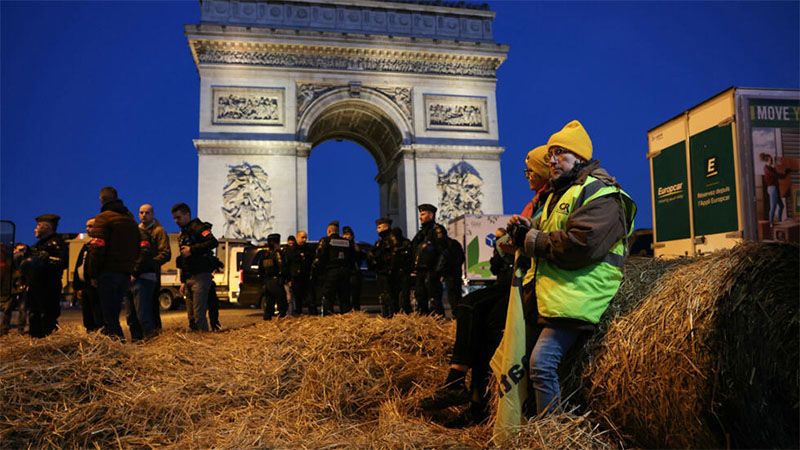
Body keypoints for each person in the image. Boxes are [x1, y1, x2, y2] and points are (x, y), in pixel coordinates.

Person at [508, 120, 636, 415]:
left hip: (581, 293)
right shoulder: (559, 193)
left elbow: (581, 245)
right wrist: (528, 227)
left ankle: (552, 436)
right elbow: (549, 230)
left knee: (541, 364)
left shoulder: (602, 194)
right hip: (557, 292)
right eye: (551, 153)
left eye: (560, 152)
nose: (551, 159)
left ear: (580, 156)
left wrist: (532, 240)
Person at [421, 145, 550, 424]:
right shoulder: (538, 202)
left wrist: (510, 238)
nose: (526, 176)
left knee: (477, 317)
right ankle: (467, 395)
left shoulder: (548, 202)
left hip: (529, 282)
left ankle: (462, 388)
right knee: (474, 317)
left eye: (531, 171)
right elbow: (507, 244)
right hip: (515, 278)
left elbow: (515, 242)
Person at [90, 187, 140, 340]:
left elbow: (97, 248)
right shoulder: (130, 219)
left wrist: (92, 273)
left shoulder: (103, 218)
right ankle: (119, 346)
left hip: (107, 273)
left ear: (101, 199)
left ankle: (118, 349)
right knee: (115, 313)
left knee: (109, 318)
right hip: (124, 274)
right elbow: (136, 247)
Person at [172, 202, 219, 332]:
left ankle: (204, 341)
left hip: (201, 276)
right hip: (189, 277)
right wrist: (182, 281)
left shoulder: (198, 227)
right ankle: (195, 342)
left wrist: (192, 249)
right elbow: (183, 259)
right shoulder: (183, 233)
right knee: (191, 317)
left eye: (179, 217)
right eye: (175, 218)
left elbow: (213, 242)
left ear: (187, 215)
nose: (176, 221)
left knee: (199, 315)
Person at [24, 214, 68, 338]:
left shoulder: (56, 243)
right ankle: (36, 339)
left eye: (38, 226)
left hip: (48, 286)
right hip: (36, 285)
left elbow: (62, 262)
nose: (35, 229)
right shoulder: (38, 244)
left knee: (47, 316)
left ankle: (46, 341)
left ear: (47, 227)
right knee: (35, 314)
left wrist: (47, 259)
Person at [138, 204, 171, 332]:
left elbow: (165, 253)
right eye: (141, 212)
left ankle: (155, 335)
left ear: (153, 214)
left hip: (152, 275)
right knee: (138, 310)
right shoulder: (137, 231)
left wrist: (149, 264)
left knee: (151, 306)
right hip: (137, 274)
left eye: (147, 213)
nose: (144, 215)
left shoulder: (159, 231)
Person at [312, 220, 355, 315]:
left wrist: (316, 272)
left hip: (331, 273)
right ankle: (346, 319)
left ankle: (327, 318)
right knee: (344, 298)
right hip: (345, 273)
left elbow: (319, 258)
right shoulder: (346, 242)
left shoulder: (326, 241)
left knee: (328, 296)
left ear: (329, 231)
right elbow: (353, 258)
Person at [411, 204, 444, 315]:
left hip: (431, 272)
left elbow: (443, 252)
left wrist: (437, 271)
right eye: (420, 214)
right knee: (421, 300)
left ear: (431, 215)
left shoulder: (438, 230)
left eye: (423, 214)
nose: (420, 217)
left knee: (434, 301)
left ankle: (439, 325)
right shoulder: (421, 233)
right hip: (420, 272)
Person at [72, 219, 104, 332]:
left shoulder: (101, 243)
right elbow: (79, 265)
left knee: (97, 314)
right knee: (87, 315)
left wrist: (94, 278)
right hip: (85, 285)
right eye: (87, 226)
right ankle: (90, 332)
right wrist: (78, 286)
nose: (87, 229)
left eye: (90, 226)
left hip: (94, 285)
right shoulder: (87, 244)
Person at [0, 243, 31, 336]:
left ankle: (20, 329)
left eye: (22, 250)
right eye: (19, 250)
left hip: (22, 287)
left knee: (22, 308)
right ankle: (4, 329)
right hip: (13, 287)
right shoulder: (10, 260)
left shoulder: (26, 261)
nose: (20, 252)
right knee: (8, 308)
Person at [369, 218, 396, 318]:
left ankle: (391, 315)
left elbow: (394, 255)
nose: (377, 230)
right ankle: (385, 315)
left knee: (389, 296)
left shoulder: (392, 239)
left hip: (388, 272)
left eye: (379, 227)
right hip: (381, 272)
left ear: (386, 226)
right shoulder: (379, 242)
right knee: (383, 296)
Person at [286, 230, 315, 315]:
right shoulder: (291, 250)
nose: (304, 239)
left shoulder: (309, 249)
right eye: (302, 237)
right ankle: (298, 314)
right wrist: (289, 279)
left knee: (310, 298)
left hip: (307, 277)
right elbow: (288, 266)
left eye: (305, 237)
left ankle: (312, 315)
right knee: (297, 299)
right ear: (297, 237)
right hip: (296, 278)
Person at [260, 233, 288, 320]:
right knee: (282, 301)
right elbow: (282, 266)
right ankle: (281, 318)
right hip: (276, 280)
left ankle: (267, 319)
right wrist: (284, 277)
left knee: (269, 302)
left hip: (268, 281)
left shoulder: (265, 254)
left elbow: (261, 269)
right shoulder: (277, 253)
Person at [390, 227, 413, 314]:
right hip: (395, 272)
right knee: (395, 295)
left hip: (404, 272)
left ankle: (406, 312)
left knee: (404, 295)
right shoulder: (391, 244)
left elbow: (410, 257)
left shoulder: (406, 243)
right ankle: (397, 312)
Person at [442, 232, 465, 314]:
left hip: (449, 273)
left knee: (451, 294)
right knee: (458, 292)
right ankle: (460, 311)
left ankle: (455, 311)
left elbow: (443, 261)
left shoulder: (443, 245)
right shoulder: (455, 243)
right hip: (457, 272)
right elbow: (462, 257)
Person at [762, 153, 788, 226]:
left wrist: (785, 174)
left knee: (781, 206)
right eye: (771, 159)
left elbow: (779, 176)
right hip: (772, 188)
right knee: (773, 206)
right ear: (767, 160)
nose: (772, 161)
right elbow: (776, 175)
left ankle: (779, 221)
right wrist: (783, 174)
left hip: (775, 188)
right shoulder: (766, 168)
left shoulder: (771, 168)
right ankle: (771, 223)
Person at [342, 226, 364, 311]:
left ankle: (356, 311)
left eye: (348, 234)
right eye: (345, 234)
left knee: (355, 297)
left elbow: (362, 257)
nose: (346, 237)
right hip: (345, 274)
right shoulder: (341, 246)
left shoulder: (355, 246)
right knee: (345, 296)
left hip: (354, 274)